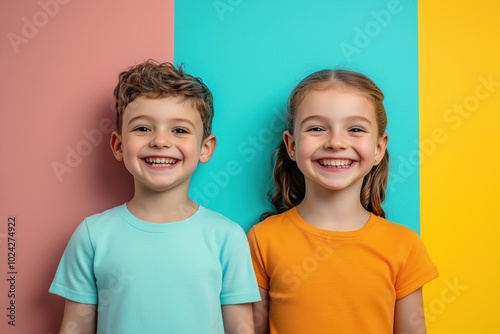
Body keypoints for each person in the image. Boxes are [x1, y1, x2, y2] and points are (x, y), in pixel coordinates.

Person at [49, 60, 260, 334]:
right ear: (118, 145)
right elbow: (75, 328)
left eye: (180, 130)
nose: (160, 141)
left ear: (205, 148)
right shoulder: (92, 235)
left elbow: (241, 329)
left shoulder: (226, 237)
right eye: (143, 128)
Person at [247, 69, 438, 334]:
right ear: (291, 146)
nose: (336, 142)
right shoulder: (262, 240)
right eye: (316, 128)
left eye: (355, 129)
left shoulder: (404, 246)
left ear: (378, 149)